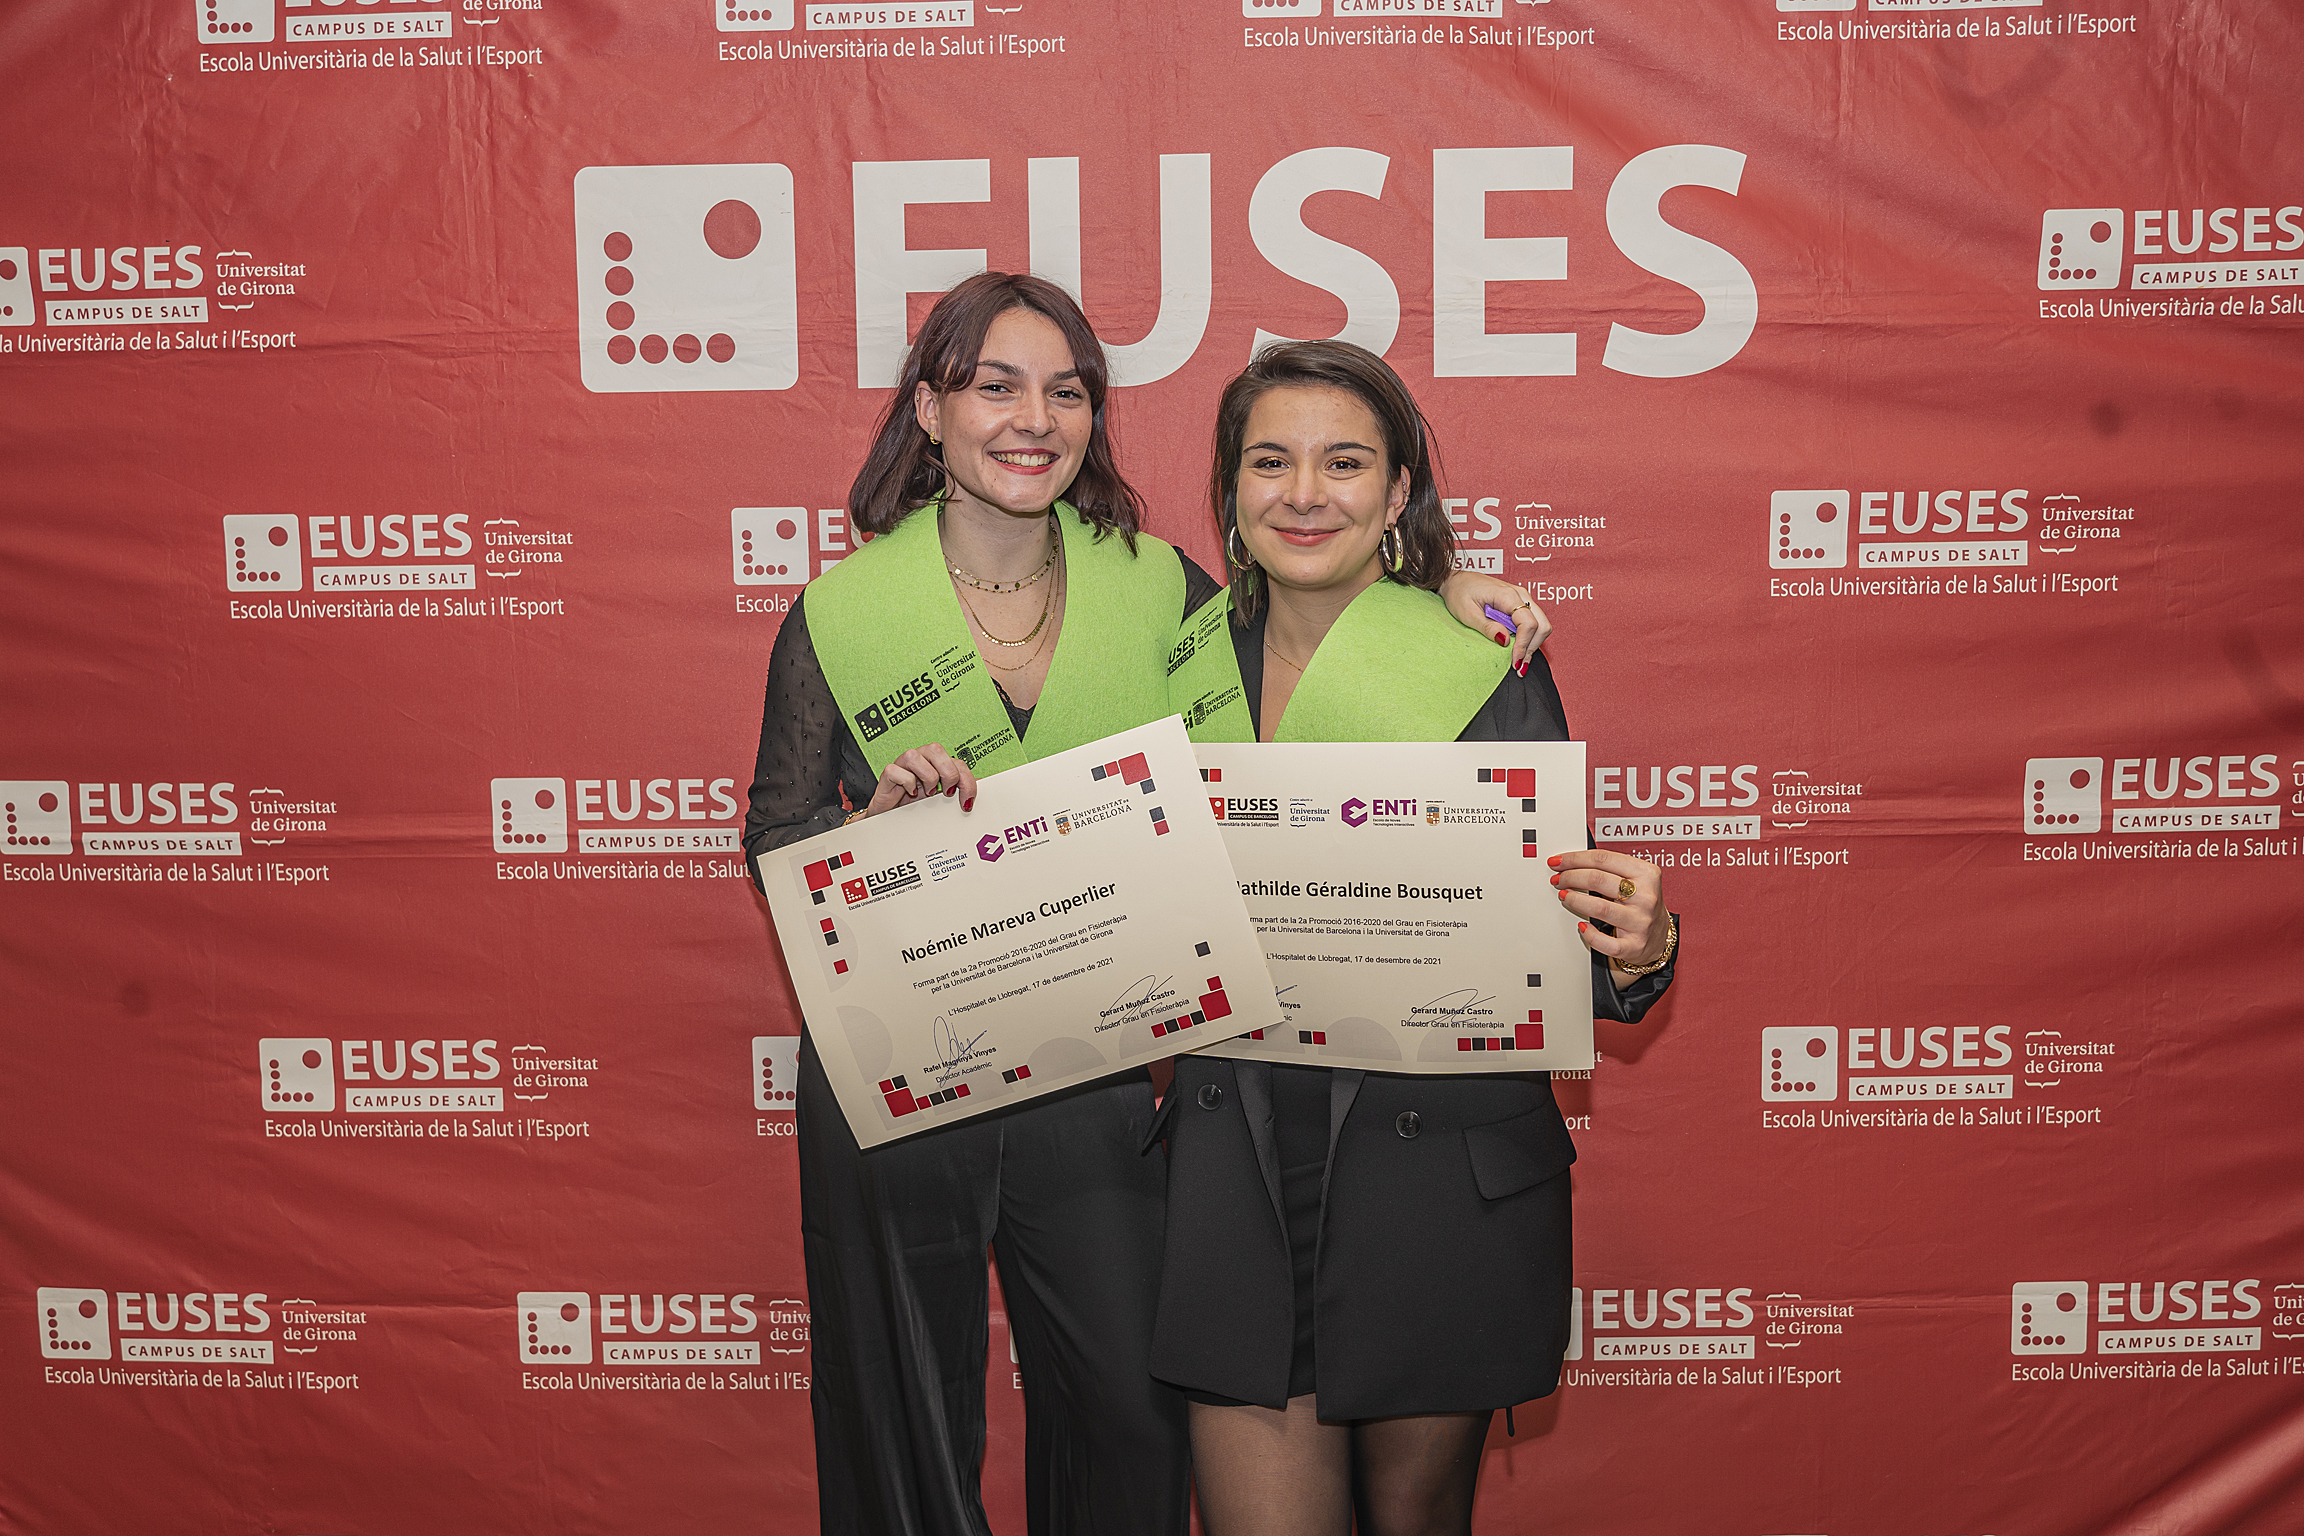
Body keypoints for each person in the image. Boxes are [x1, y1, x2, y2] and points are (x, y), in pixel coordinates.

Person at [740, 274, 1551, 1536]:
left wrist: (1445, 591)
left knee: (1132, 1413)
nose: (1034, 418)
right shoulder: (838, 614)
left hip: (1099, 1064)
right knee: (897, 1422)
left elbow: (1315, 635)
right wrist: (870, 847)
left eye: (1066, 391)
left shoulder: (1160, 591)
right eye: (996, 385)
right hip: (902, 1062)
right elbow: (777, 838)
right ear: (930, 410)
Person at [1151, 341, 1680, 1536]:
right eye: (1269, 462)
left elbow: (1558, 922)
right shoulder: (1173, 661)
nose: (1304, 494)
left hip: (1433, 1180)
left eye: (1345, 464)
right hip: (1239, 1177)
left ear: (1398, 494)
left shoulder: (1479, 659)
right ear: (1229, 490)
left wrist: (1640, 945)